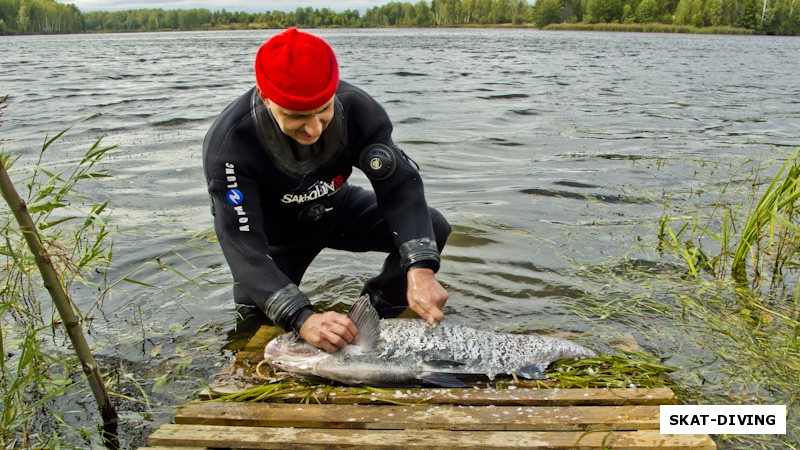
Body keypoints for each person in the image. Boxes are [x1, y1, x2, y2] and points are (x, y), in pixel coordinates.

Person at [203, 28, 451, 353]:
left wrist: (420, 269)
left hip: (336, 208)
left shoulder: (357, 108)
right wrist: (302, 318)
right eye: (296, 116)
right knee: (253, 325)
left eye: (323, 110)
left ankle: (369, 319)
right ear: (267, 98)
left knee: (431, 229)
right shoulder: (230, 145)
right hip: (277, 240)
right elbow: (240, 242)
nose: (314, 129)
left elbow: (399, 186)